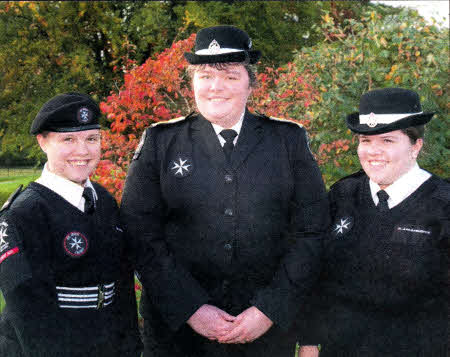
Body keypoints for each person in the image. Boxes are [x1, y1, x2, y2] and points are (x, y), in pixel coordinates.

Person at [120, 25, 330, 357]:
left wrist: (269, 309)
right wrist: (191, 308)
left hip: (263, 331)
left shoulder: (288, 141)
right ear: (192, 83)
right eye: (205, 75)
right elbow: (140, 233)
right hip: (178, 333)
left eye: (231, 76)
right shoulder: (161, 142)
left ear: (251, 83)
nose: (216, 87)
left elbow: (311, 231)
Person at [298, 88, 449, 356]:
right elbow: (316, 276)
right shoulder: (343, 195)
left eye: (388, 140)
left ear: (416, 146)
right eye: (365, 140)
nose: (373, 151)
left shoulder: (443, 204)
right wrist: (310, 342)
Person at [0, 93, 142, 356]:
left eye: (91, 138)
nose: (82, 151)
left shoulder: (105, 201)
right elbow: (28, 309)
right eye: (68, 139)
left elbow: (120, 287)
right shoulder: (24, 213)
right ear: (42, 142)